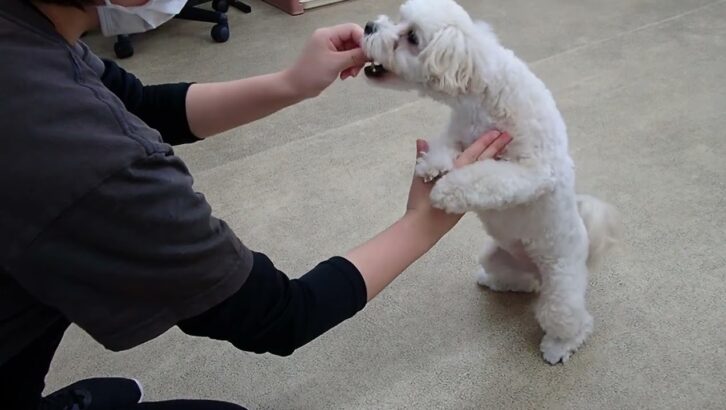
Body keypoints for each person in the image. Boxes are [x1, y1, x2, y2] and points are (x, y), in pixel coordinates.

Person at [0, 0, 512, 409]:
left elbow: (132, 101)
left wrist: (290, 85)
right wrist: (424, 223)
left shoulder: (27, 33)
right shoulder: (93, 163)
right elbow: (280, 315)